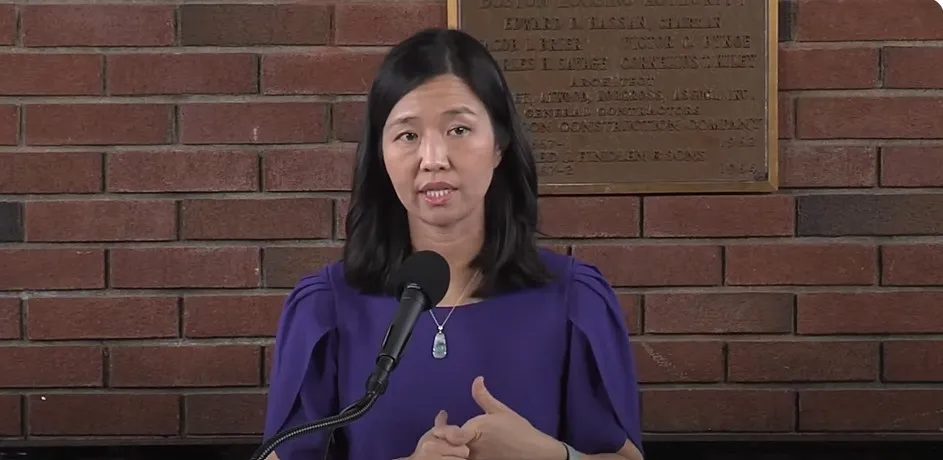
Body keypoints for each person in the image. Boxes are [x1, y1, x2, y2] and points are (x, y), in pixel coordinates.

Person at [262, 27, 644, 460]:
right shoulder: (325, 308)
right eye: (407, 135)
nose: (433, 158)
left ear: (499, 144)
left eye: (458, 129)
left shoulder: (575, 300)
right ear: (381, 154)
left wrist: (549, 455)